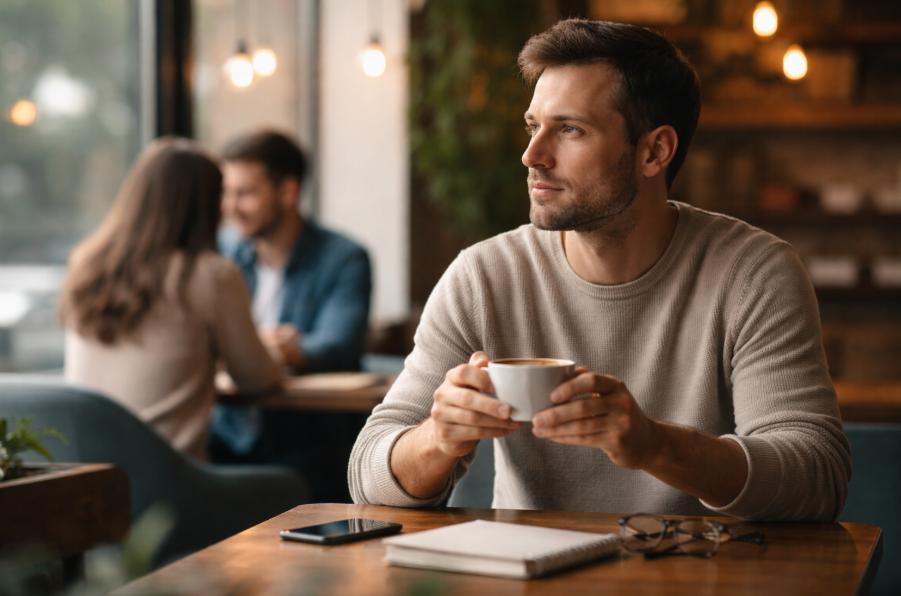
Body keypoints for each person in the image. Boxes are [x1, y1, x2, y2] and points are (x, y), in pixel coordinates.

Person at [349, 20, 852, 521]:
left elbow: (817, 478)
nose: (532, 156)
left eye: (570, 129)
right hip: (528, 577)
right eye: (533, 127)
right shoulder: (483, 277)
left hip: (695, 575)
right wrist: (437, 438)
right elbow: (367, 477)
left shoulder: (753, 274)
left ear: (654, 151)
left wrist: (656, 446)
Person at [62, 137, 281, 461]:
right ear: (205, 203)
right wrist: (276, 350)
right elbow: (257, 378)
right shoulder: (211, 274)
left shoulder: (86, 264)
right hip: (168, 483)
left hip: (88, 479)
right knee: (292, 486)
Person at [209, 130, 372, 502]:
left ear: (288, 191)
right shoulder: (222, 255)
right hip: (227, 438)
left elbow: (336, 345)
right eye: (226, 192)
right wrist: (273, 346)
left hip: (304, 444)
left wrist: (250, 348)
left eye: (245, 193)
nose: (230, 207)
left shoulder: (344, 258)